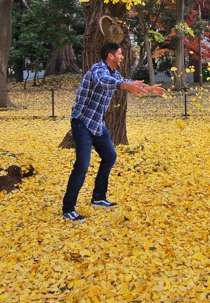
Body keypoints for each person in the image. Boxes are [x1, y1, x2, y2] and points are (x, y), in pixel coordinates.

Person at [62, 42, 165, 223]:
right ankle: (68, 208)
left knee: (110, 156)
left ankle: (98, 197)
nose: (122, 57)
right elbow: (105, 81)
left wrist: (148, 89)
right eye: (120, 54)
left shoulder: (114, 73)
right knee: (82, 165)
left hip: (97, 124)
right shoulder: (98, 70)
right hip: (82, 122)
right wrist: (125, 85)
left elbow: (126, 82)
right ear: (110, 56)